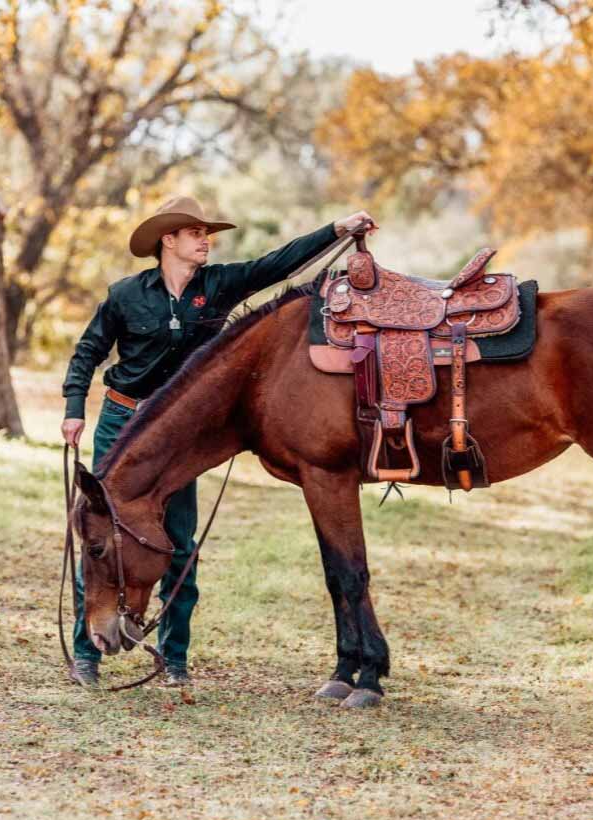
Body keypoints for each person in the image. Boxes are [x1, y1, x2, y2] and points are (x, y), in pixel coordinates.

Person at [61, 194, 377, 686]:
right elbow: (87, 353)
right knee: (101, 537)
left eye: (205, 232)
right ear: (168, 240)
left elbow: (278, 263)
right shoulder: (126, 294)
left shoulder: (219, 285)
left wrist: (336, 229)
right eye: (194, 233)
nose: (205, 240)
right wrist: (73, 409)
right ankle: (89, 654)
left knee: (179, 542)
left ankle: (175, 657)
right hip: (120, 422)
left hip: (176, 436)